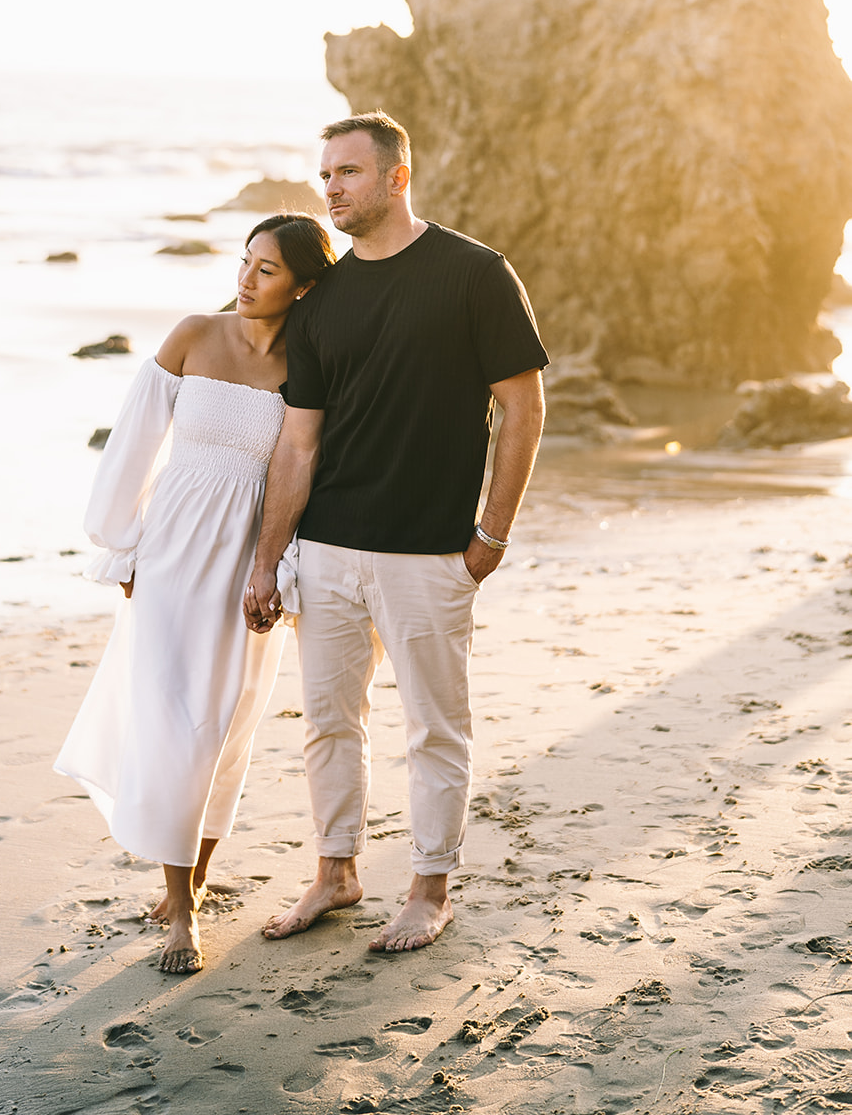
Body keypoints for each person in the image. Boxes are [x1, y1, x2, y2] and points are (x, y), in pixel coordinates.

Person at [244, 112, 548, 953]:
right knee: (328, 723)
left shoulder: (474, 273)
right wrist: (268, 561)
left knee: (433, 729)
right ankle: (335, 873)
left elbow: (520, 406)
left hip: (431, 552)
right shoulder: (320, 303)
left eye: (346, 173)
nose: (330, 188)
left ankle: (427, 888)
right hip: (329, 549)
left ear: (394, 177)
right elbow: (297, 442)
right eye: (325, 174)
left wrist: (492, 534)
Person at [55, 213, 336, 975]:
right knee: (174, 721)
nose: (244, 280)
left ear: (304, 286)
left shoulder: (311, 365)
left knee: (227, 726)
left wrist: (282, 568)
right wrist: (121, 546)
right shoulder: (190, 335)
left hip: (252, 559)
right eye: (243, 262)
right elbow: (133, 443)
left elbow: (307, 471)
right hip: (173, 554)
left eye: (267, 270)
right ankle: (179, 908)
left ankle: (198, 873)